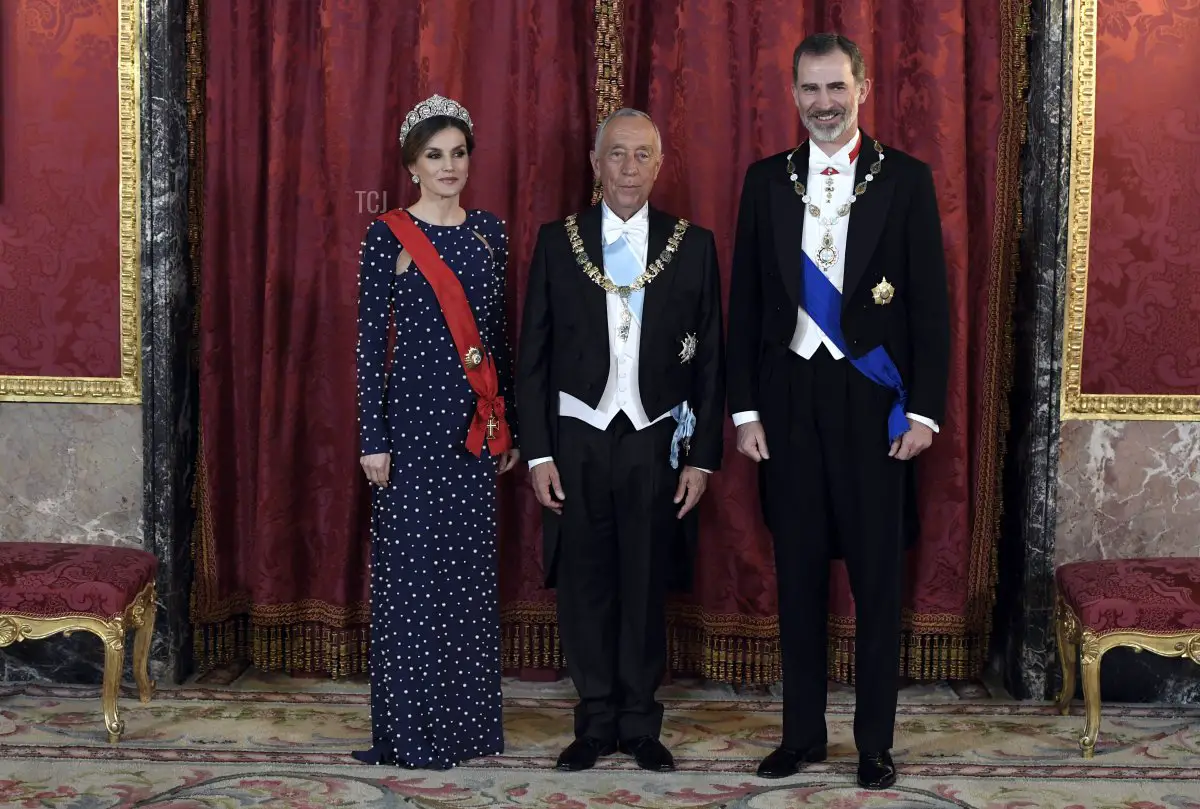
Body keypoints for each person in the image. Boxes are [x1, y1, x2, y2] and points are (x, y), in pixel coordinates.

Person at [726, 34, 950, 790]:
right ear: (793, 95)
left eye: (837, 87)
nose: (825, 103)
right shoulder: (766, 181)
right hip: (788, 403)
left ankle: (874, 743)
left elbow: (931, 310)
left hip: (873, 403)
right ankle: (801, 735)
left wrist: (923, 411)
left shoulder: (907, 180)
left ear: (863, 87)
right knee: (798, 578)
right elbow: (747, 304)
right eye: (811, 90)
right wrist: (745, 410)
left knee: (878, 582)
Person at [515, 108, 725, 774]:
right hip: (578, 436)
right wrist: (540, 451)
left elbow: (714, 359)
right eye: (617, 155)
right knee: (586, 585)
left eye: (642, 156)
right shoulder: (558, 241)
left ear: (660, 165)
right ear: (594, 162)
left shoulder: (693, 244)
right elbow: (533, 357)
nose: (629, 169)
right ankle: (595, 719)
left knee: (643, 580)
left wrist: (703, 457)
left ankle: (640, 723)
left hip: (655, 438)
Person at [354, 93, 520, 770]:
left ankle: (465, 729)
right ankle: (412, 730)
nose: (449, 167)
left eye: (458, 154)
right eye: (434, 156)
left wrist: (506, 424)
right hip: (412, 430)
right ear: (412, 165)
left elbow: (499, 339)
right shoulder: (387, 235)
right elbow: (368, 344)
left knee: (465, 581)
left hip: (474, 429)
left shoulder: (491, 232)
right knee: (411, 582)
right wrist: (373, 436)